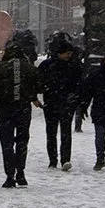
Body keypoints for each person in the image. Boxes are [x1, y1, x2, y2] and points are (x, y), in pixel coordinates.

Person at [0, 34, 40, 187]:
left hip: (5, 109)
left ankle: (10, 175)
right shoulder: (29, 68)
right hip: (23, 108)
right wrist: (30, 96)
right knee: (22, 141)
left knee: (7, 142)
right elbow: (39, 85)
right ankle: (20, 172)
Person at [36, 37, 86, 172]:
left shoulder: (74, 66)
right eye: (66, 53)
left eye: (70, 53)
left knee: (65, 132)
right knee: (52, 133)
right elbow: (38, 82)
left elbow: (81, 85)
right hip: (52, 102)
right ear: (59, 53)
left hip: (65, 103)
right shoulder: (48, 65)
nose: (69, 56)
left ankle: (65, 159)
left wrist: (77, 98)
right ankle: (53, 159)